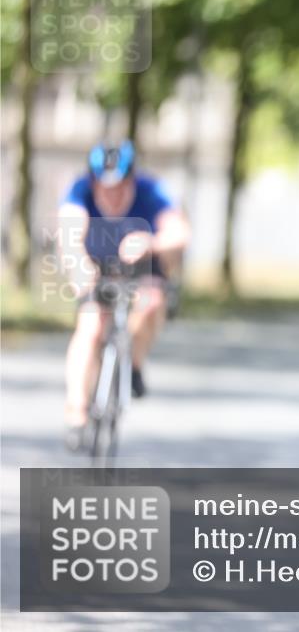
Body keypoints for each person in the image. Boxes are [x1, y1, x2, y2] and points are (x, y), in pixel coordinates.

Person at [58, 141, 190, 451]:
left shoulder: (152, 190)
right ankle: (76, 411)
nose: (112, 193)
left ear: (132, 179)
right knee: (90, 327)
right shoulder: (79, 190)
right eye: (104, 187)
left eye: (119, 186)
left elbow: (179, 232)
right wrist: (78, 266)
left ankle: (135, 364)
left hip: (142, 268)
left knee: (152, 303)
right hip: (96, 266)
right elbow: (68, 234)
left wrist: (152, 242)